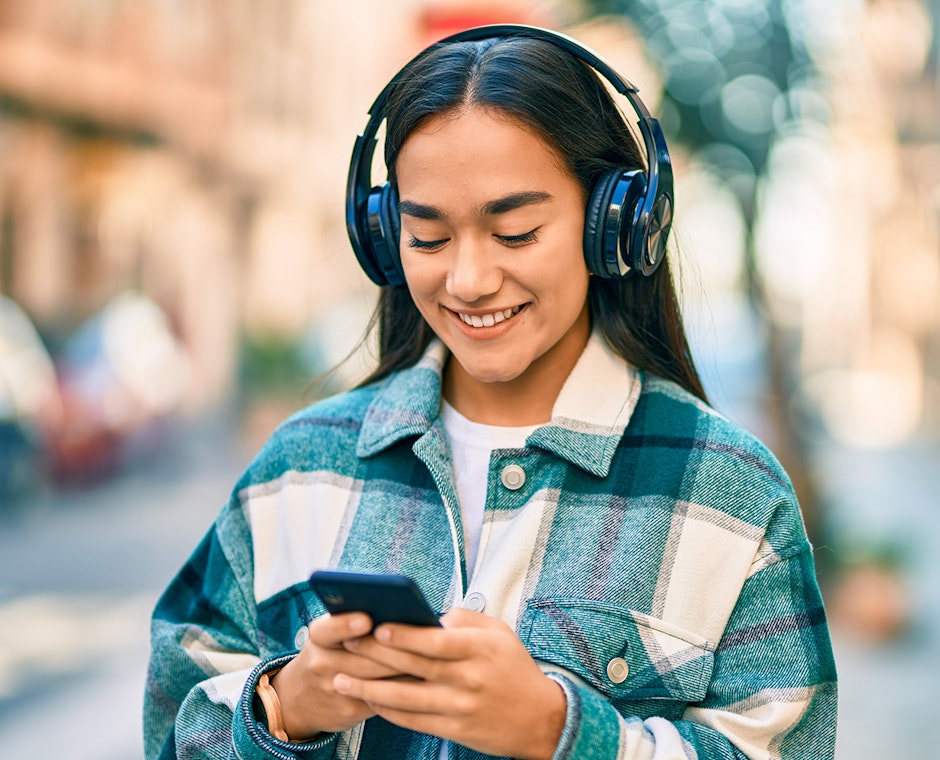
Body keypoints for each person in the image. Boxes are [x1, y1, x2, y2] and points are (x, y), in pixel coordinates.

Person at [143, 24, 837, 760]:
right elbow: (172, 729)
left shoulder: (731, 494)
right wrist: (284, 708)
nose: (468, 281)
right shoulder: (295, 470)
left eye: (515, 232)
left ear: (613, 226)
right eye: (430, 239)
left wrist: (559, 733)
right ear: (383, 236)